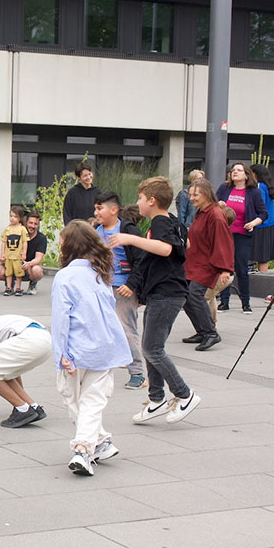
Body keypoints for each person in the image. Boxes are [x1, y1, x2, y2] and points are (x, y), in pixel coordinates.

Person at [107, 176, 201, 425]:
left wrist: (130, 239)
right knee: (151, 347)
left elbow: (167, 249)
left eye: (140, 198)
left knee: (152, 348)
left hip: (167, 293)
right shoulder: (172, 221)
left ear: (152, 200)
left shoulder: (160, 221)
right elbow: (185, 244)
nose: (137, 202)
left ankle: (185, 395)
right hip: (164, 292)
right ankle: (156, 398)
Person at [52, 221, 132, 476]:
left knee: (74, 399)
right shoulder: (100, 275)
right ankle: (100, 442)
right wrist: (121, 350)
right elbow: (110, 315)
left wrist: (61, 353)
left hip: (77, 349)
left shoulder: (64, 277)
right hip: (103, 349)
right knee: (92, 401)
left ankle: (83, 449)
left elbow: (60, 318)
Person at [93, 192, 147, 390]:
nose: (96, 212)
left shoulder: (127, 230)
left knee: (126, 329)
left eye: (100, 208)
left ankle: (138, 374)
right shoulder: (95, 231)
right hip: (101, 287)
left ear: (114, 210)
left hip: (123, 287)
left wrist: (132, 284)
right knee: (103, 328)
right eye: (96, 208)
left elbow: (142, 259)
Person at [181, 179, 234, 352]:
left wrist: (225, 268)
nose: (192, 199)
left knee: (195, 295)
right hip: (195, 262)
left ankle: (211, 333)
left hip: (207, 264)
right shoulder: (202, 212)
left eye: (195, 195)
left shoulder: (215, 215)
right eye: (190, 195)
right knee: (186, 297)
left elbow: (223, 242)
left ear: (205, 194)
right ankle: (202, 331)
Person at [216, 162, 267, 314]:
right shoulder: (224, 189)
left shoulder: (253, 192)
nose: (235, 172)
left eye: (239, 170)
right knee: (225, 266)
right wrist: (218, 205)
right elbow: (212, 207)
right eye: (233, 170)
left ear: (246, 175)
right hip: (225, 233)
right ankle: (224, 302)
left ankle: (246, 303)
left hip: (243, 234)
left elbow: (263, 214)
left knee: (241, 268)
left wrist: (253, 223)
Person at [0, 210, 46, 295]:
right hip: (12, 263)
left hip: (28, 267)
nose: (33, 226)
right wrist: (3, 257)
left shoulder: (41, 238)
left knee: (37, 270)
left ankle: (33, 284)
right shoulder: (14, 231)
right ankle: (10, 284)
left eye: (35, 224)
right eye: (30, 223)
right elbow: (5, 245)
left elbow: (38, 259)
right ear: (25, 222)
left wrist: (28, 264)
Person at [251, 164, 274, 273]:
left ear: (255, 174)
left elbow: (259, 206)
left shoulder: (260, 187)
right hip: (269, 224)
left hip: (260, 224)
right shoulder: (267, 186)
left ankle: (261, 278)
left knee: (260, 255)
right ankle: (263, 275)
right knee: (264, 256)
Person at [0, 206, 29, 296]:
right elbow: (4, 242)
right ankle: (8, 287)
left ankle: (18, 288)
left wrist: (24, 253)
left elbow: (25, 242)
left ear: (20, 218)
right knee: (8, 272)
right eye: (11, 216)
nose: (12, 218)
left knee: (18, 272)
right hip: (9, 256)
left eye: (15, 216)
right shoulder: (7, 229)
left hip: (18, 256)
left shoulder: (22, 229)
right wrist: (3, 254)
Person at [62, 161, 99, 225]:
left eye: (89, 174)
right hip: (77, 231)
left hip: (95, 231)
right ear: (78, 177)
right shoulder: (72, 194)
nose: (89, 177)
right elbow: (67, 215)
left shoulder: (98, 193)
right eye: (85, 175)